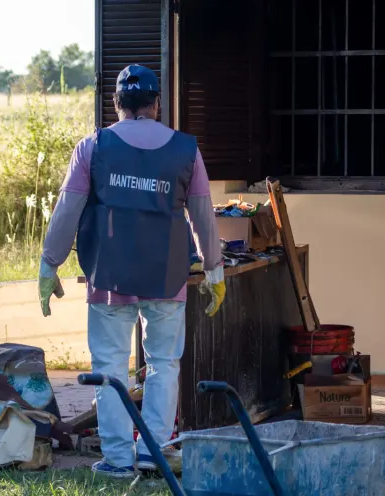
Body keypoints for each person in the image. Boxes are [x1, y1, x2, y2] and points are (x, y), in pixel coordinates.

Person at [38, 64, 224, 478]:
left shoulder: (94, 146)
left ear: (117, 103)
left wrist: (49, 264)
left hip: (109, 277)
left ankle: (119, 459)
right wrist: (215, 269)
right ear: (156, 103)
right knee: (163, 363)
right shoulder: (186, 149)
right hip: (167, 277)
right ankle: (153, 452)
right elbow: (203, 217)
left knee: (109, 367)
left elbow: (68, 209)